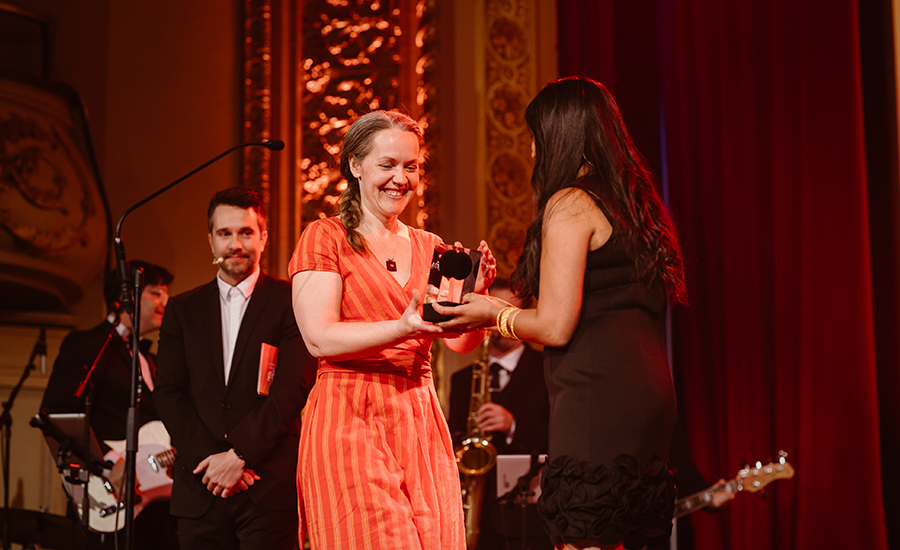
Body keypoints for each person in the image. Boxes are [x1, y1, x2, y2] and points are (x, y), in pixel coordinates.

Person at [434, 76, 687, 550]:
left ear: (559, 138)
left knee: (581, 536)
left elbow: (553, 324)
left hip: (597, 395)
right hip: (650, 394)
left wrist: (492, 313)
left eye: (536, 138)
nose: (531, 152)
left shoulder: (570, 202)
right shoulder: (636, 204)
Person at [290, 109, 496, 550]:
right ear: (355, 166)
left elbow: (458, 342)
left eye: (411, 166)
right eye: (387, 165)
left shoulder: (430, 246)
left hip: (417, 415)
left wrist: (474, 300)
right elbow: (319, 337)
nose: (400, 178)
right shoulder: (325, 238)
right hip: (348, 415)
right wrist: (401, 327)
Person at [154, 187, 313, 549]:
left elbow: (292, 389)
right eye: (225, 234)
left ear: (263, 237)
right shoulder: (182, 310)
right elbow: (168, 392)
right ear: (211, 241)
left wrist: (240, 456)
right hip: (200, 483)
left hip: (267, 486)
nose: (235, 244)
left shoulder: (290, 300)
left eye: (245, 232)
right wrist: (213, 463)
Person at [40, 260, 178, 549]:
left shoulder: (152, 360)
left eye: (165, 292)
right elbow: (57, 415)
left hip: (151, 503)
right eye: (155, 292)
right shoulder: (87, 344)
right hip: (104, 496)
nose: (165, 300)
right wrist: (108, 462)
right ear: (126, 298)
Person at [448, 280, 551, 550]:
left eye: (506, 310)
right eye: (491, 310)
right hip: (476, 519)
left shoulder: (548, 370)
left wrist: (513, 425)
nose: (496, 321)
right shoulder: (462, 380)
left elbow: (564, 436)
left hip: (530, 521)